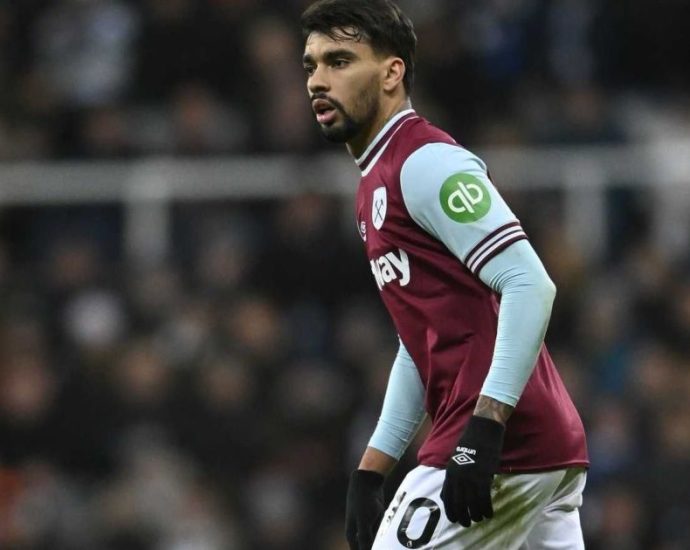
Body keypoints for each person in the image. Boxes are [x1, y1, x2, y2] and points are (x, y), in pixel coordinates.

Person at [300, 1, 589, 549]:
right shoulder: (373, 185)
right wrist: (372, 469)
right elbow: (422, 343)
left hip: (503, 444)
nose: (318, 80)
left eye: (339, 61)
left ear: (392, 72)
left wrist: (486, 424)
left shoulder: (427, 162)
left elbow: (530, 283)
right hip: (538, 449)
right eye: (311, 65)